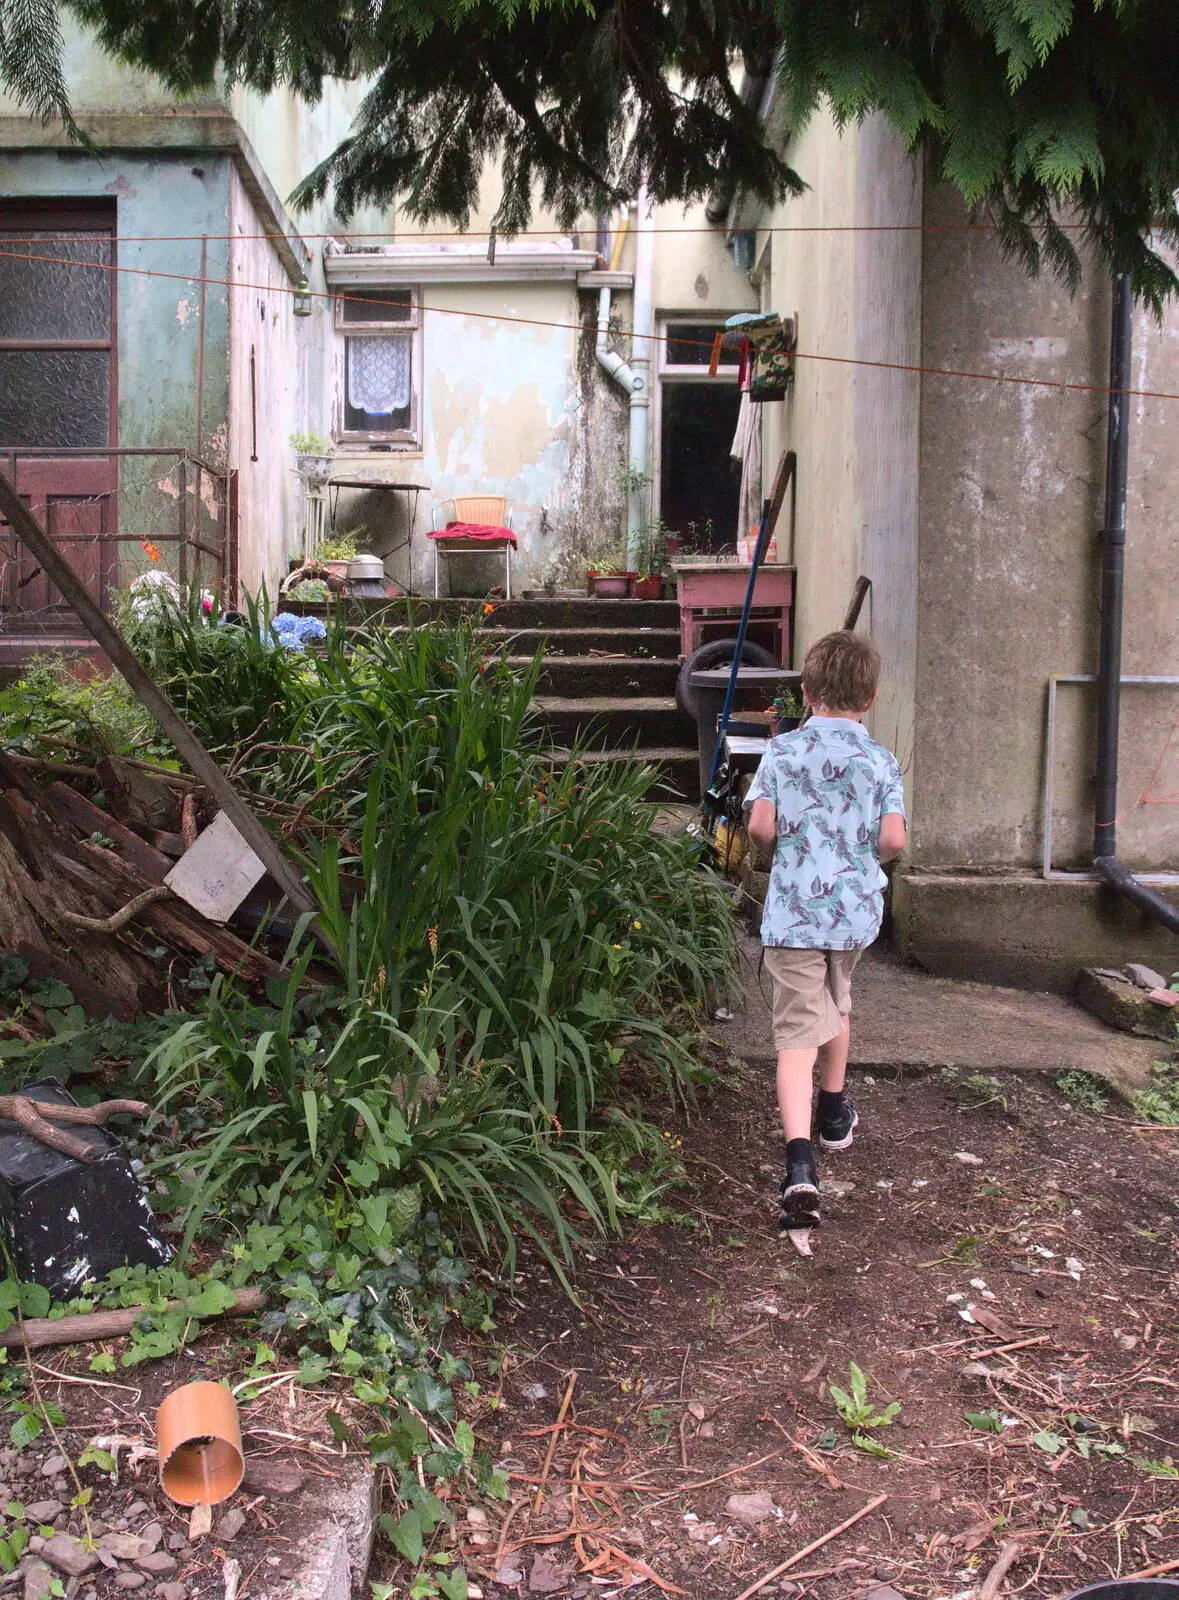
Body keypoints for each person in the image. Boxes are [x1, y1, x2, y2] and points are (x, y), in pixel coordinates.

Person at [744, 630, 906, 1234]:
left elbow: (761, 828)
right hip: (855, 913)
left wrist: (784, 842)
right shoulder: (882, 761)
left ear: (806, 692)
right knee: (837, 1003)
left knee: (794, 1032)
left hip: (793, 913)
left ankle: (799, 1165)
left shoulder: (781, 753)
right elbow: (892, 841)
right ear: (870, 699)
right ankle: (834, 1111)